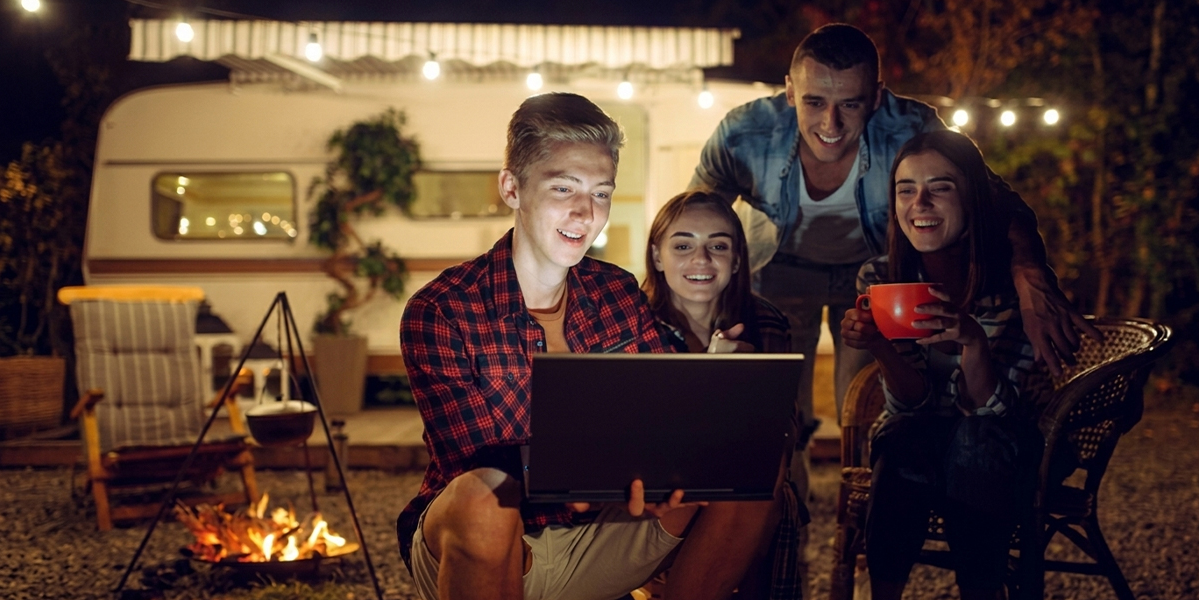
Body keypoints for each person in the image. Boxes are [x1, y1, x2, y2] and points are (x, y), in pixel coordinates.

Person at [689, 23, 1097, 549]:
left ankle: (861, 543)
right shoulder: (744, 132)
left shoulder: (912, 126)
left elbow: (996, 199)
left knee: (866, 409)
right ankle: (785, 534)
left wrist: (1029, 274)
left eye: (851, 104)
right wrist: (697, 301)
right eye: (813, 102)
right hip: (780, 267)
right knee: (778, 413)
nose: (831, 124)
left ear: (877, 96)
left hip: (871, 272)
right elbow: (694, 215)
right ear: (788, 91)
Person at [398, 92, 777, 600]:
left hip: (603, 532)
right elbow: (478, 464)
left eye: (601, 193)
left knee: (751, 459)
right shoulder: (443, 309)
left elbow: (662, 413)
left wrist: (717, 392)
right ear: (512, 188)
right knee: (480, 497)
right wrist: (608, 465)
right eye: (563, 188)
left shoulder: (616, 289)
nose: (585, 212)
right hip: (499, 538)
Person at [840, 130, 1044, 600]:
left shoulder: (1010, 284)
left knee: (973, 440)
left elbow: (996, 412)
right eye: (906, 190)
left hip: (1003, 446)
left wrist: (973, 341)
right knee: (901, 436)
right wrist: (879, 346)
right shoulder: (881, 276)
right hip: (920, 434)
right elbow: (910, 404)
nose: (920, 204)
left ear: (972, 198)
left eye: (941, 187)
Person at [641, 189, 806, 600]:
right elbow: (636, 440)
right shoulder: (631, 322)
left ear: (736, 260)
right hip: (653, 485)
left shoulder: (765, 320)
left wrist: (749, 388)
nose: (701, 259)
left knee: (765, 466)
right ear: (658, 256)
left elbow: (785, 437)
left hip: (744, 484)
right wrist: (713, 379)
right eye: (683, 246)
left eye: (718, 246)